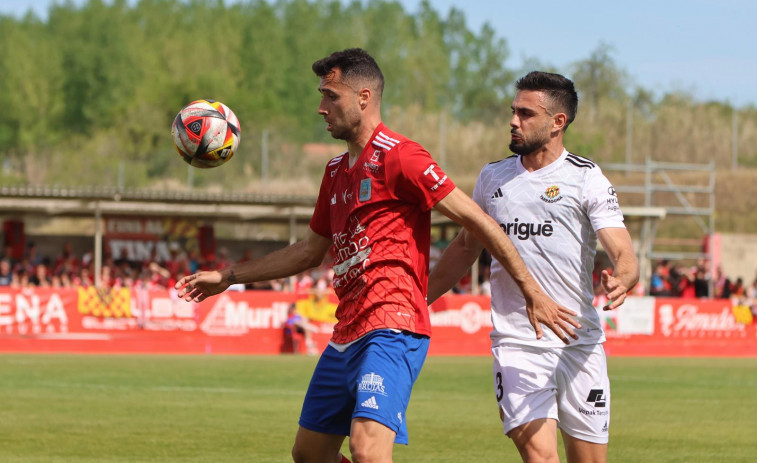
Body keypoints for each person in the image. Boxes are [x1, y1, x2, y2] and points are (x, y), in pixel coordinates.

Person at [176, 49, 577, 463]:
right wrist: (227, 276)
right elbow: (308, 252)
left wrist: (532, 290)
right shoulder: (334, 173)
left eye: (331, 96)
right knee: (309, 454)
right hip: (346, 333)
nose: (321, 108)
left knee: (368, 450)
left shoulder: (402, 157)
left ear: (363, 97)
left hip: (394, 328)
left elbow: (479, 221)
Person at [428, 71, 639, 463]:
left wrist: (624, 275)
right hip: (518, 341)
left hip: (580, 342)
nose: (513, 120)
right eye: (513, 111)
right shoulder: (493, 177)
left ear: (558, 122)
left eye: (525, 113)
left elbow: (621, 247)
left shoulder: (585, 178)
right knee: (541, 457)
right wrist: (415, 299)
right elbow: (465, 247)